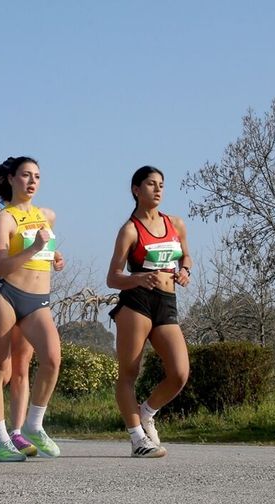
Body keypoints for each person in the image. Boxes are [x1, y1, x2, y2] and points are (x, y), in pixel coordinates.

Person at [0, 156, 65, 462]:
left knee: (36, 363)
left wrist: (55, 257)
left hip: (36, 299)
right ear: (11, 179)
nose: (32, 181)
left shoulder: (46, 216)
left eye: (37, 176)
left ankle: (26, 428)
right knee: (1, 368)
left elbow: (45, 249)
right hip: (2, 291)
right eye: (25, 175)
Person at [106, 166, 192, 458]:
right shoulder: (130, 229)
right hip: (137, 302)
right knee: (129, 373)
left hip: (167, 303)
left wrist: (185, 270)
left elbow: (187, 255)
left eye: (161, 185)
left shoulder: (175, 223)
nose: (157, 190)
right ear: (136, 190)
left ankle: (146, 412)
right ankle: (136, 439)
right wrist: (138, 278)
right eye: (151, 184)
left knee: (179, 373)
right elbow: (113, 277)